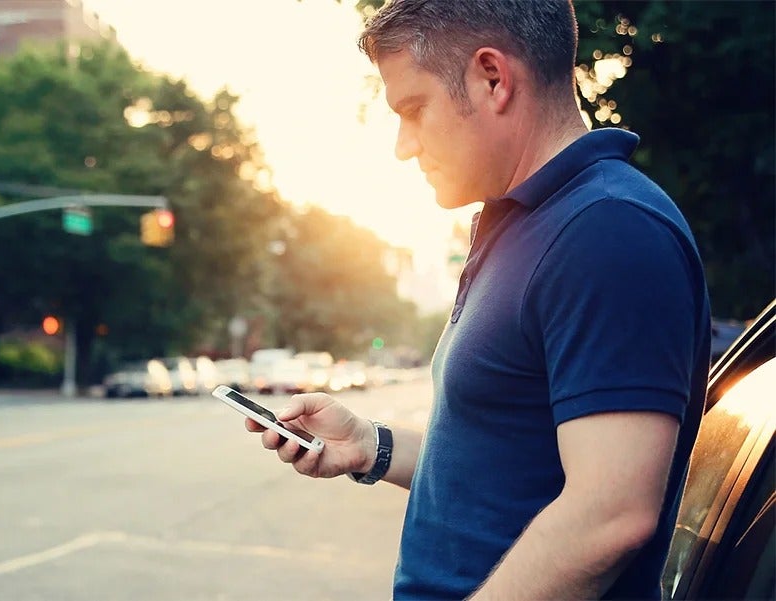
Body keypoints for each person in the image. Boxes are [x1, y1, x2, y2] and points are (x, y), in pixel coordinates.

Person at [246, 1, 712, 599]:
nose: (402, 146)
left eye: (414, 110)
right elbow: (502, 471)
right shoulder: (526, 223)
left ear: (492, 78)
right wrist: (372, 446)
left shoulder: (609, 231)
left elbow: (610, 516)